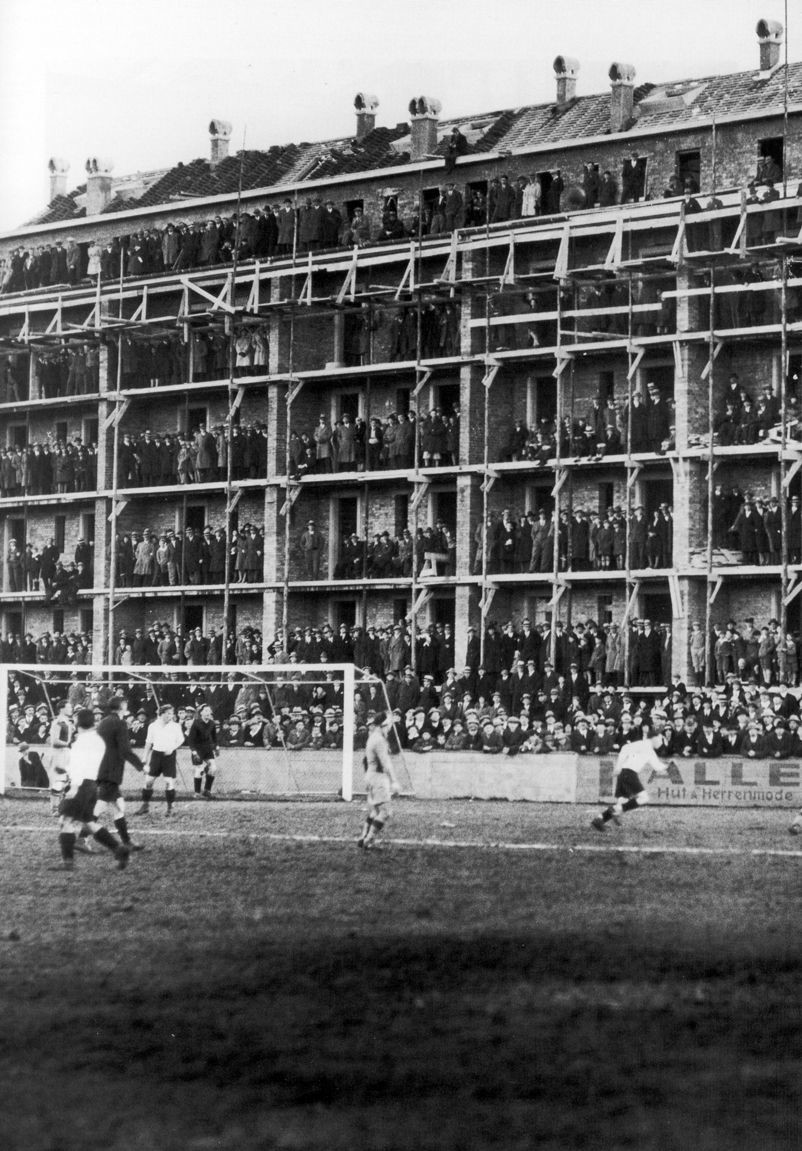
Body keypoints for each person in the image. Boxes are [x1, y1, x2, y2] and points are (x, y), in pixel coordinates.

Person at [52, 709, 133, 871]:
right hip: (92, 785)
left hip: (80, 785)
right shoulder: (97, 740)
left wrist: (73, 785)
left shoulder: (80, 741)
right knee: (88, 822)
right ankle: (119, 848)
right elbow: (86, 764)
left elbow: (79, 766)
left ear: (78, 722)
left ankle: (68, 862)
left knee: (65, 821)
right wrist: (66, 770)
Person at [591, 731, 668, 831]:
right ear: (654, 738)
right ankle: (617, 811)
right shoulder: (645, 746)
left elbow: (657, 766)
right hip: (629, 773)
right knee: (644, 798)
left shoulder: (647, 747)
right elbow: (625, 748)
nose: (661, 743)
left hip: (624, 773)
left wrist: (667, 767)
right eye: (660, 739)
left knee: (623, 801)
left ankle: (599, 819)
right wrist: (668, 766)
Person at [96, 697, 146, 852]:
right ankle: (81, 838)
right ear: (121, 707)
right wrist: (141, 766)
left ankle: (126, 841)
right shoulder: (120, 723)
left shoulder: (103, 722)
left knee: (119, 807)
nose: (127, 707)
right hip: (112, 771)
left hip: (102, 769)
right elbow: (125, 750)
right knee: (98, 808)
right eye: (126, 705)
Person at [357, 710, 400, 851]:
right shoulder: (379, 740)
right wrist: (394, 781)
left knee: (375, 811)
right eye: (388, 725)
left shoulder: (372, 737)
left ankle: (363, 836)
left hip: (371, 775)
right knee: (385, 812)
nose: (389, 728)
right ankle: (368, 839)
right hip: (378, 777)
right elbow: (386, 762)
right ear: (384, 725)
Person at [136, 703, 186, 817]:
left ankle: (170, 808)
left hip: (169, 756)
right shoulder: (153, 726)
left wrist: (172, 748)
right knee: (149, 781)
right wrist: (144, 757)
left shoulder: (175, 726)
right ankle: (145, 805)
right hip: (156, 755)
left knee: (169, 782)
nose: (171, 716)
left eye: (172, 714)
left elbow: (181, 740)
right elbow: (149, 742)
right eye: (168, 713)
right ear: (162, 714)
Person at [188, 703, 221, 799]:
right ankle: (197, 793)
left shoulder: (212, 723)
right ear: (201, 713)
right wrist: (194, 752)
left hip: (208, 750)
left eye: (209, 711)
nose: (208, 712)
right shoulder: (196, 723)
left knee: (213, 768)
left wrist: (217, 747)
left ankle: (207, 791)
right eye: (206, 711)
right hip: (198, 750)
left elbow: (214, 738)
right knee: (199, 770)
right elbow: (190, 740)